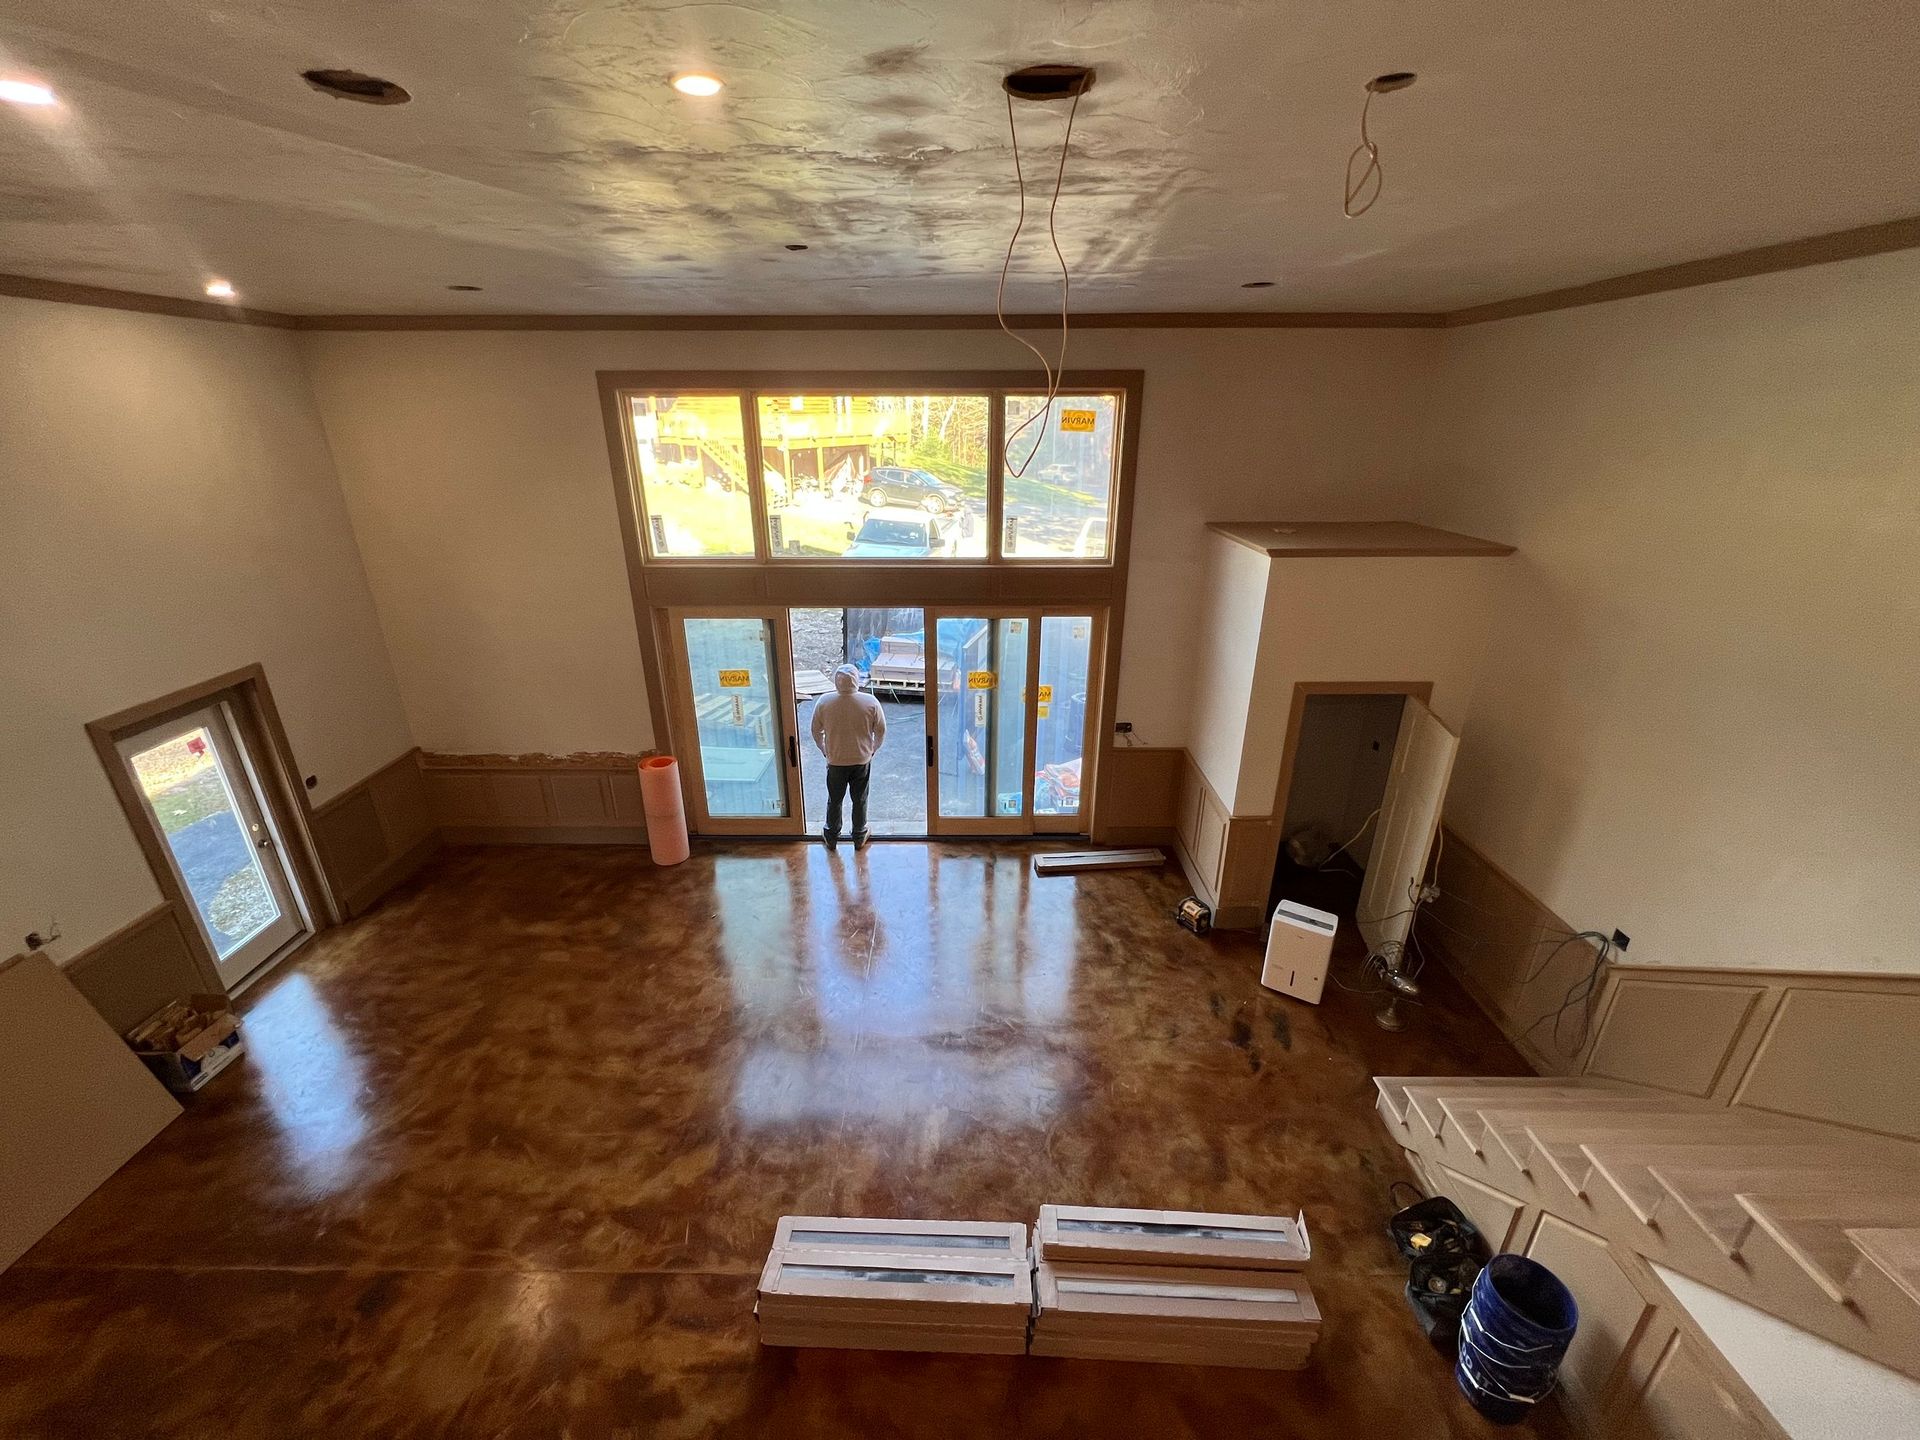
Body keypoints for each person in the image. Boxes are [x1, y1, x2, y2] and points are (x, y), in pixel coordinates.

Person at [809, 663, 887, 851]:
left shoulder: (824, 702)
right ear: (856, 680)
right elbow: (881, 730)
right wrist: (873, 749)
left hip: (835, 760)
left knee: (835, 799)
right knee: (860, 799)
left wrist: (823, 749)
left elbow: (815, 730)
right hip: (861, 760)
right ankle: (859, 835)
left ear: (836, 681)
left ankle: (831, 835)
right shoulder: (870, 702)